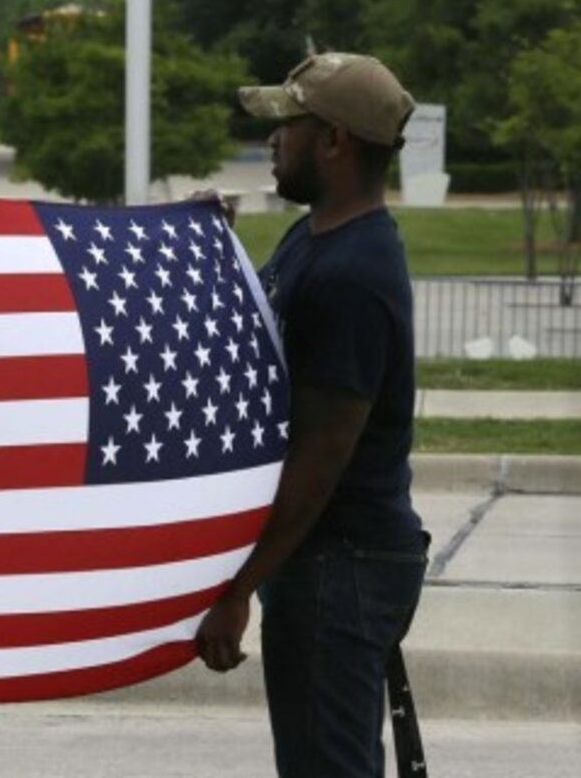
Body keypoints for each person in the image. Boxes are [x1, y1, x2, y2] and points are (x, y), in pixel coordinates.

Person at [194, 52, 428, 778]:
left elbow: (317, 462)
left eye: (286, 124)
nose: (270, 140)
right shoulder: (315, 239)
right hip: (329, 563)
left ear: (332, 140)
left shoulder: (351, 276)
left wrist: (234, 591)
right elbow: (265, 350)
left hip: (341, 564)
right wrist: (213, 253)